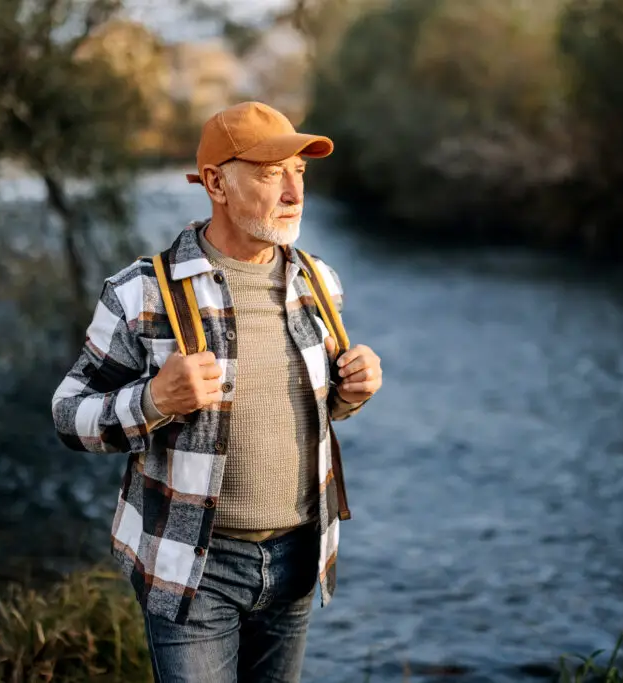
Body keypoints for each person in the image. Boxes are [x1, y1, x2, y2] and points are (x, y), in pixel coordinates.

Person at [51, 101, 383, 682]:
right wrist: (154, 400)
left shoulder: (319, 282)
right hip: (192, 570)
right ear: (215, 183)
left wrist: (353, 390)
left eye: (299, 172)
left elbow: (313, 409)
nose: (292, 192)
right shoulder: (139, 293)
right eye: (269, 172)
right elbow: (67, 414)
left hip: (298, 558)